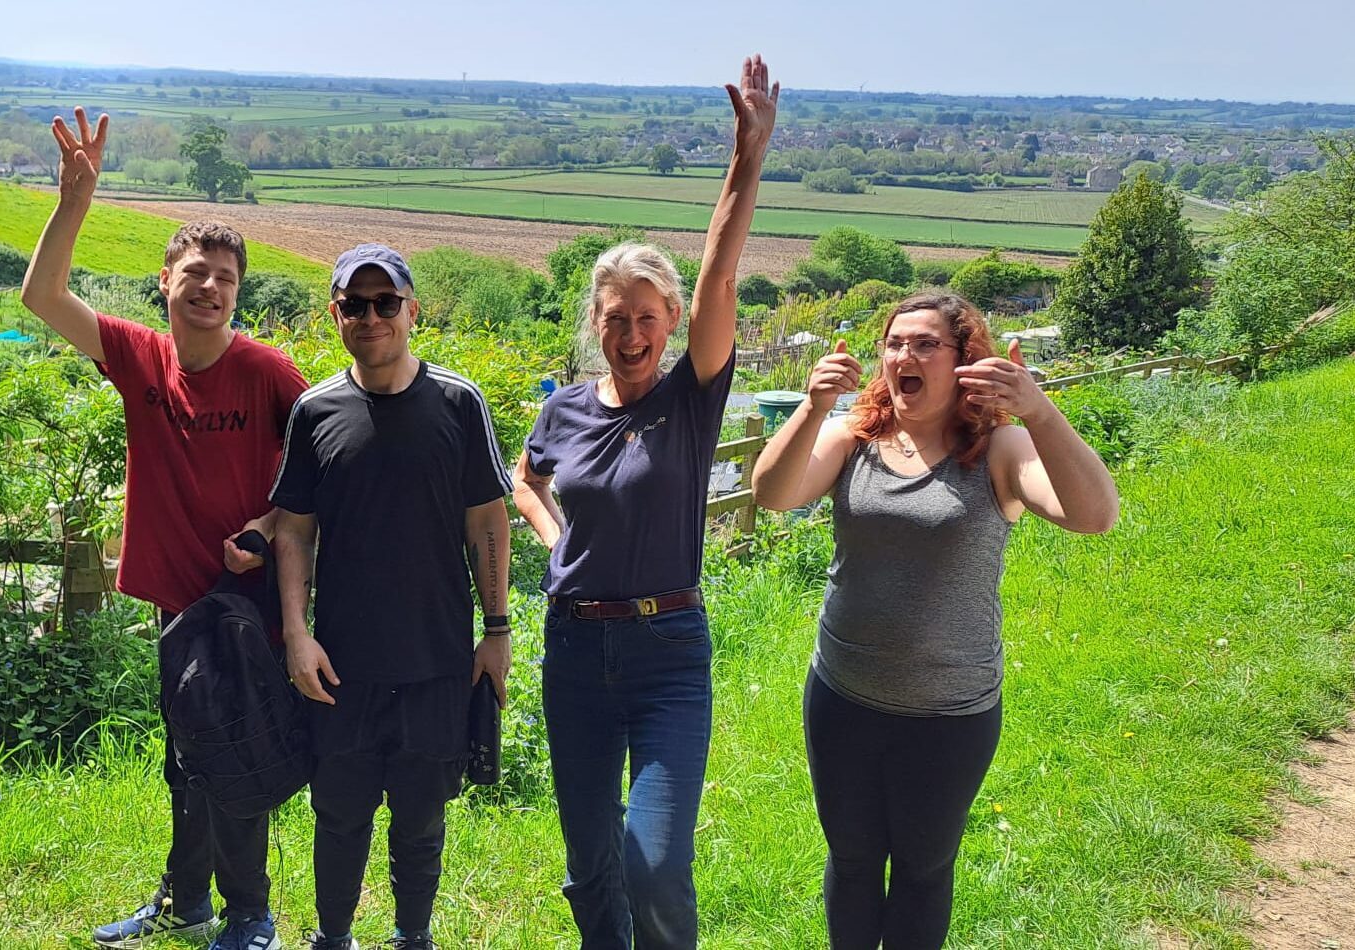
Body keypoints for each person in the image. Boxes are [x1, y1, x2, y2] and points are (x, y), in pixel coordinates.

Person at [750, 291, 1119, 949]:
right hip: (843, 697)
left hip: (949, 714)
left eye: (924, 344)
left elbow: (1093, 515)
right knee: (854, 861)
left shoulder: (1000, 450)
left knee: (923, 870)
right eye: (894, 343)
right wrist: (812, 407)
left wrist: (1038, 410)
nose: (903, 355)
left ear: (964, 361)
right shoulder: (852, 437)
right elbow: (773, 494)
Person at [22, 106, 309, 950]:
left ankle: (250, 913)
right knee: (186, 758)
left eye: (226, 276)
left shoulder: (268, 373)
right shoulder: (140, 358)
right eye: (196, 270)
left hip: (245, 605)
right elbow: (41, 296)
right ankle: (186, 903)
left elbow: (322, 475)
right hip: (175, 607)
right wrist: (74, 203)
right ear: (166, 280)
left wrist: (264, 524)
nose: (210, 286)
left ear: (237, 292)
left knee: (235, 754)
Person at [510, 56, 777, 949]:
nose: (629, 336)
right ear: (597, 323)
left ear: (670, 322)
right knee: (591, 867)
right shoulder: (566, 407)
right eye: (614, 319)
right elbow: (527, 480)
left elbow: (719, 277)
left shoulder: (690, 398)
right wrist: (556, 542)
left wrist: (747, 157)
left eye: (646, 318)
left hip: (668, 652)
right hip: (576, 648)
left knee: (654, 865)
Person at [272, 243, 513, 950]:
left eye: (386, 303)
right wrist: (295, 634)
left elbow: (487, 522)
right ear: (335, 315)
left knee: (420, 820)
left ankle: (414, 936)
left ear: (413, 311)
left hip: (437, 662)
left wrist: (497, 632)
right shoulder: (315, 411)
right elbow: (294, 532)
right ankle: (335, 938)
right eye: (355, 305)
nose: (371, 317)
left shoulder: (459, 404)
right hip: (341, 665)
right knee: (338, 817)